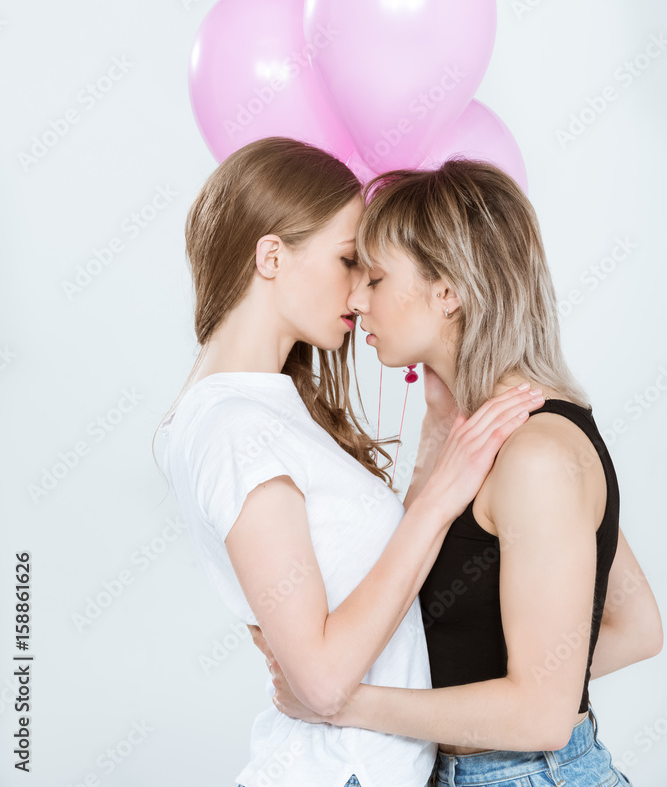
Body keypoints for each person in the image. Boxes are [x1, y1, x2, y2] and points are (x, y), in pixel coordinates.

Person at [254, 156, 663, 787]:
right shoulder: (475, 433)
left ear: (449, 291)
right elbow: (633, 628)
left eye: (377, 278)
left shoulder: (537, 454)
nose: (357, 299)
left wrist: (348, 703)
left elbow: (544, 715)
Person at [158, 137, 546, 787]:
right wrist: (441, 497)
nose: (361, 290)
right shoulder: (233, 426)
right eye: (347, 261)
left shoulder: (262, 407)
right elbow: (323, 681)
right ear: (271, 255)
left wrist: (435, 431)